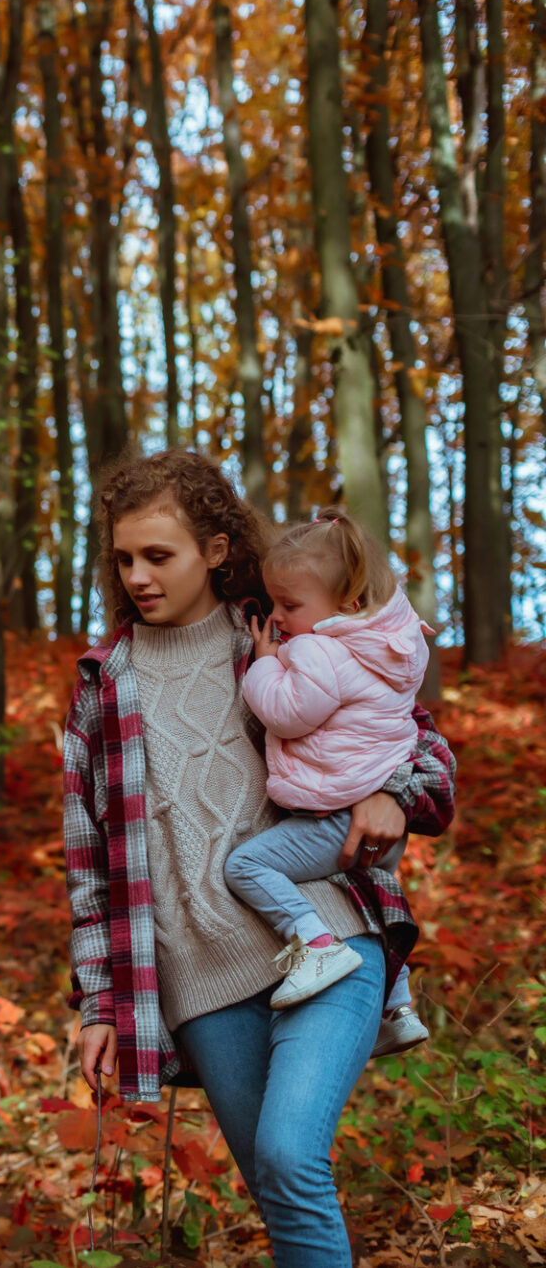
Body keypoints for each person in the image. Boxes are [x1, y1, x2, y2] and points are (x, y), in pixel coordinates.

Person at [63, 452, 455, 1268]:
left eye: (159, 555)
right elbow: (90, 863)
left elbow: (415, 737)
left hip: (329, 938)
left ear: (212, 550)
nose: (138, 574)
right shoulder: (104, 687)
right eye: (124, 558)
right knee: (280, 1192)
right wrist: (100, 1001)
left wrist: (396, 794)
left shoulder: (278, 635)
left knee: (289, 1156)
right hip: (202, 983)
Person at [226, 509, 431, 1053]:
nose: (277, 616)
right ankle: (399, 1008)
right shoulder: (392, 646)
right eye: (273, 603)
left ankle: (315, 943)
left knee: (246, 864)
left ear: (348, 603)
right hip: (383, 818)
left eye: (290, 606)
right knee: (371, 895)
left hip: (338, 816)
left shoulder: (319, 648)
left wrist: (265, 664)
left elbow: (288, 714)